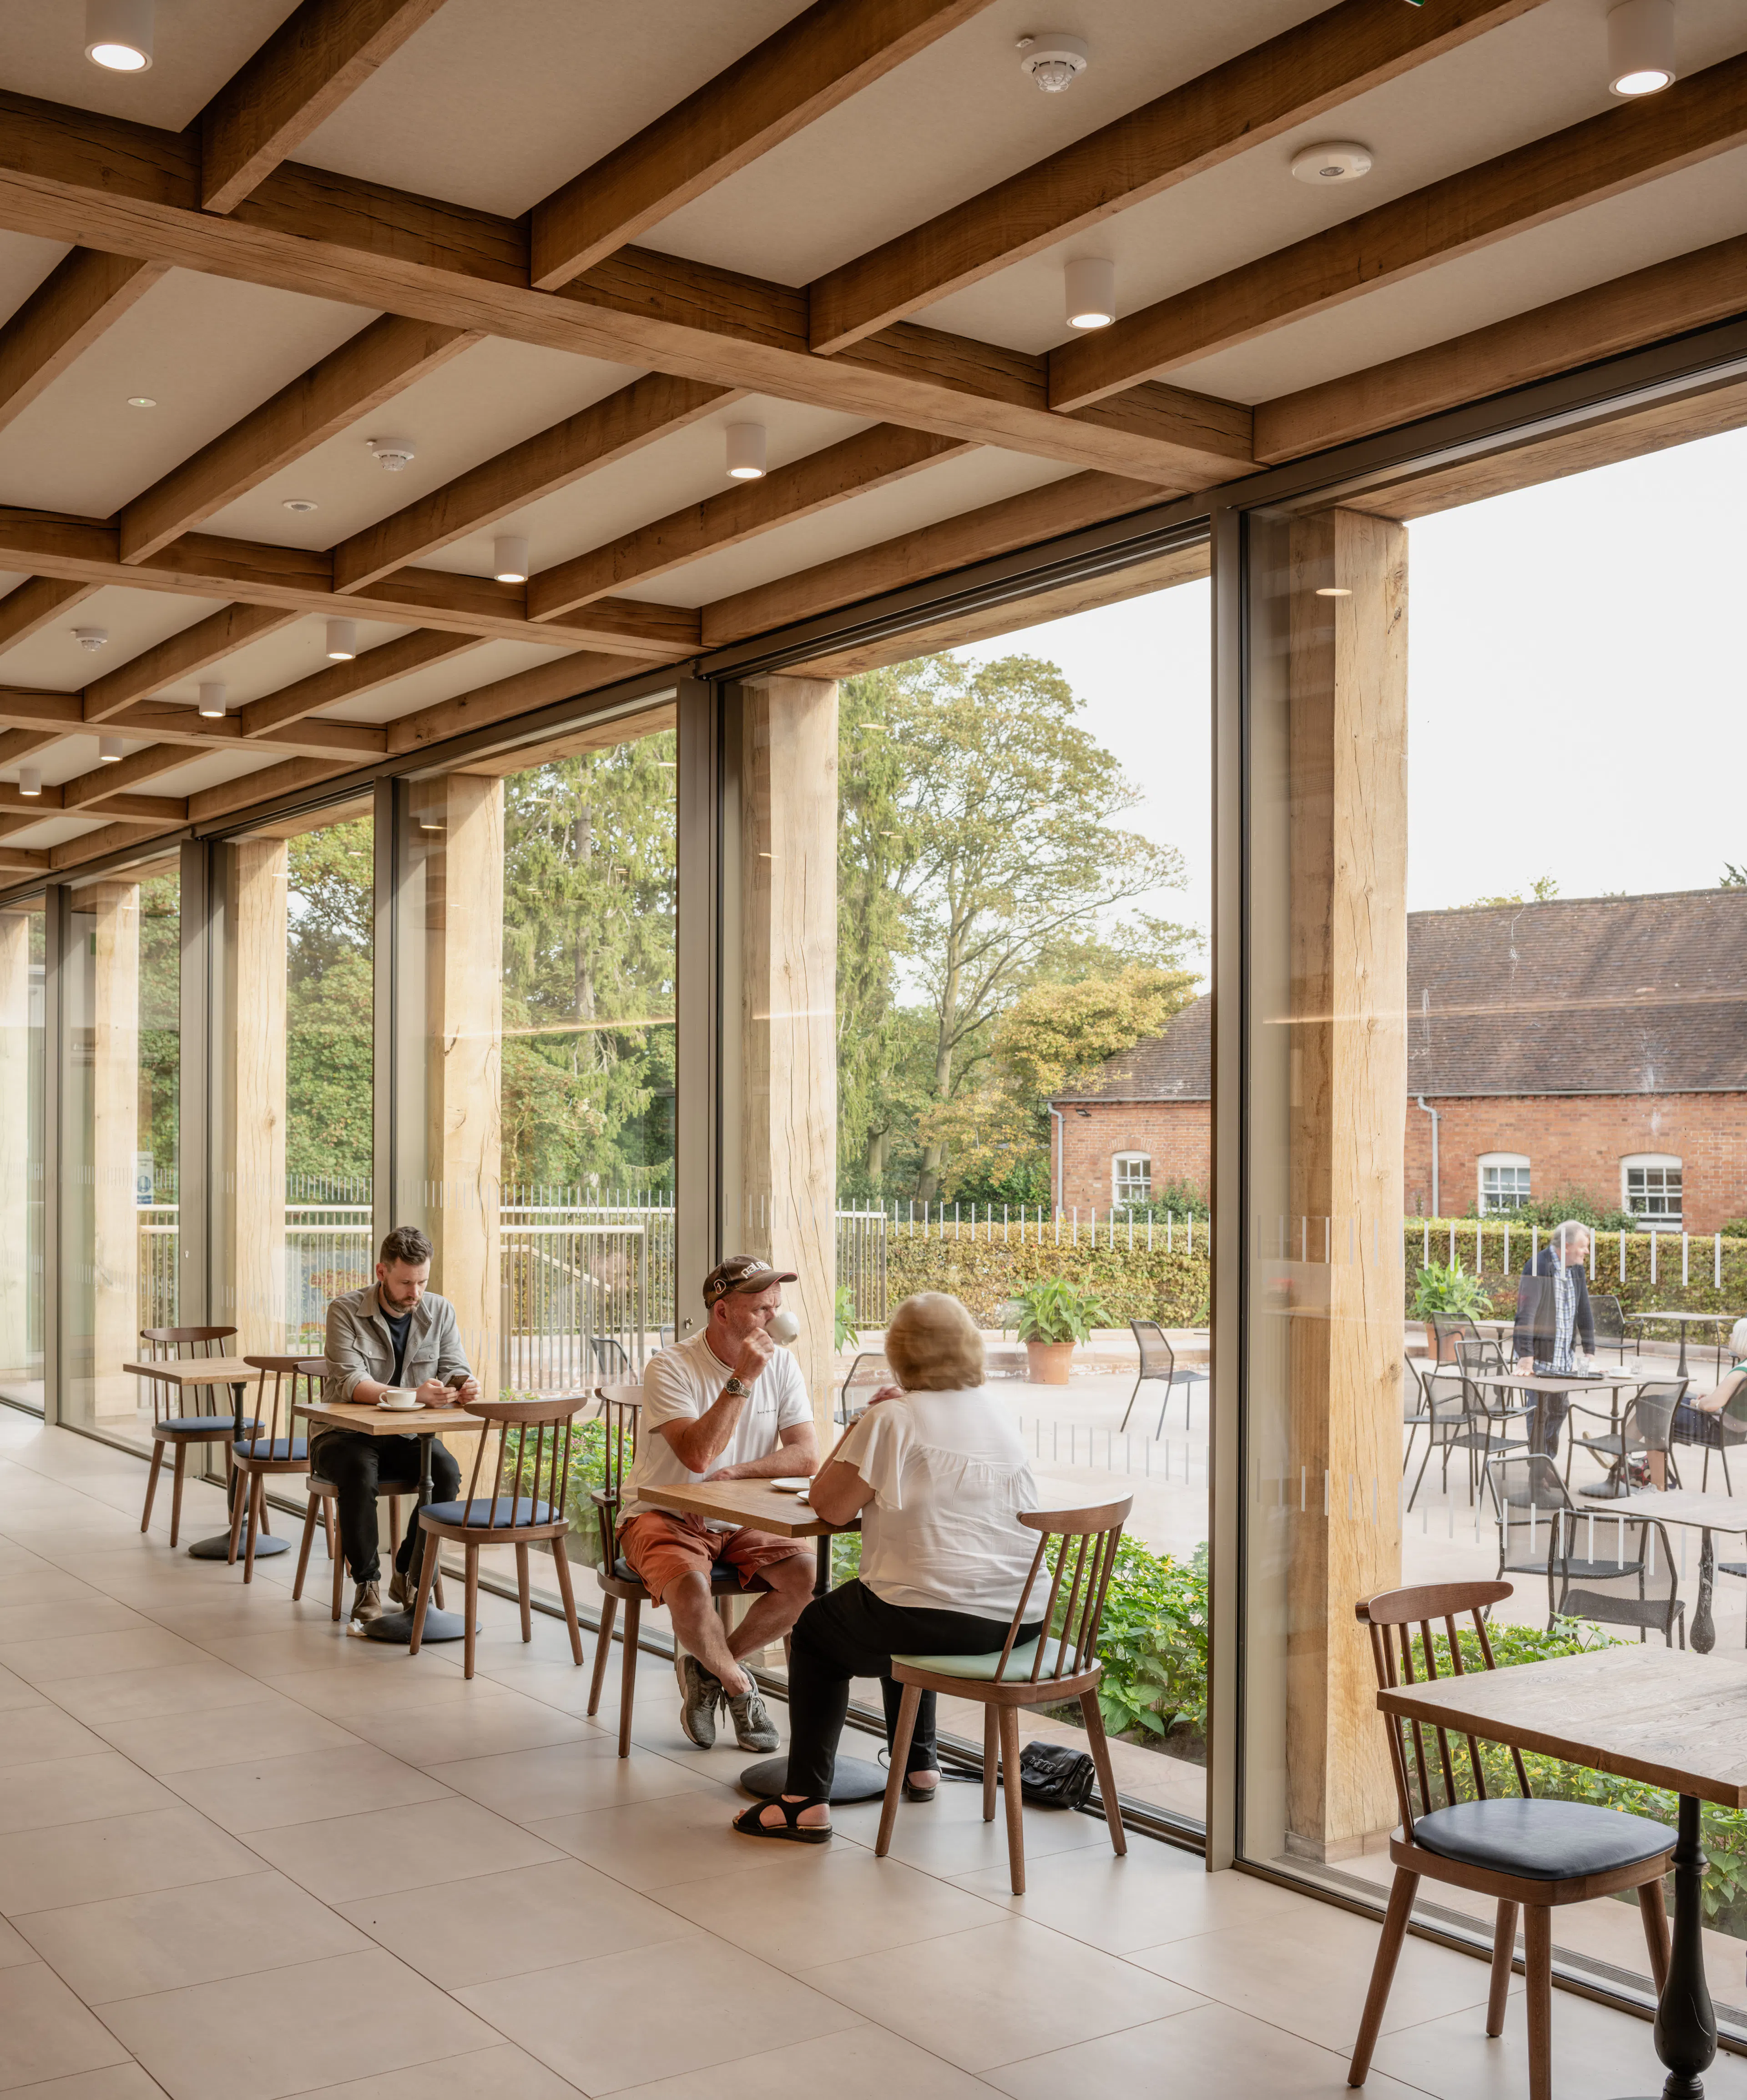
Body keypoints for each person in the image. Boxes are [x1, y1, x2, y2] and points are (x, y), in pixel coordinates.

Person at [732, 1291, 1040, 1845]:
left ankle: (804, 1802)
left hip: (935, 1617)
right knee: (899, 1596)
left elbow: (829, 1507)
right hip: (1022, 1620)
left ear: (899, 1352)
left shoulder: (893, 1418)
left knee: (819, 1630)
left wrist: (861, 1423)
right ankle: (921, 1765)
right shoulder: (998, 1411)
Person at [616, 1255, 819, 1754]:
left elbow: (807, 1454)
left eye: (776, 1307)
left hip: (743, 1514)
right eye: (759, 1309)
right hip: (662, 1513)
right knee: (690, 1590)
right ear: (722, 1312)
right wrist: (743, 1379)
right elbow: (698, 1454)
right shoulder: (670, 1366)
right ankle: (738, 1684)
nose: (772, 1319)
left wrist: (737, 1474)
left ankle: (706, 1668)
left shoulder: (784, 1363)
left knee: (805, 1579)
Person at [318, 1225, 479, 1625]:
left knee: (445, 1471)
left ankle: (408, 1572)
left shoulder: (439, 1310)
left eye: (423, 1281)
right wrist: (414, 1394)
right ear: (381, 1272)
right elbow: (349, 1382)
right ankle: (367, 1583)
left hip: (405, 1436)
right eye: (406, 1282)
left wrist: (463, 1384)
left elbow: (453, 1365)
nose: (416, 1292)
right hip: (343, 1435)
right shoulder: (344, 1310)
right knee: (359, 1470)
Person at [1512, 1219, 1596, 1460]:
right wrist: (1526, 1358)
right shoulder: (1538, 1265)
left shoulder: (1576, 1270)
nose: (1586, 1252)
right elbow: (1525, 1313)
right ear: (1567, 1246)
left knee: (1559, 1412)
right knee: (1540, 1414)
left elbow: (1584, 1311)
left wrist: (1589, 1351)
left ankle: (1547, 1463)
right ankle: (1538, 1470)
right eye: (1583, 1246)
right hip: (1540, 1359)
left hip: (1563, 1360)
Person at [1647, 1316, 1747, 1489]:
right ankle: (1623, 1457)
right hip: (1733, 1429)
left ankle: (1656, 1487)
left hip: (1718, 1429)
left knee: (1654, 1413)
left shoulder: (1741, 1371)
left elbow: (1710, 1406)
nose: (1730, 1337)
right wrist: (1709, 1399)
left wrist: (1698, 1404)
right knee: (1657, 1401)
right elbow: (1727, 1401)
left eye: (1733, 1333)